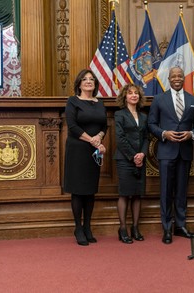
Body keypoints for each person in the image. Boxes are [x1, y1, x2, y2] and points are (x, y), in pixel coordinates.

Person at [148, 66, 194, 244]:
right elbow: (151, 123)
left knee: (181, 192)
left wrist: (191, 134)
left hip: (185, 152)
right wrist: (164, 133)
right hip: (166, 152)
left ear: (183, 78)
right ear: (169, 79)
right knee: (165, 191)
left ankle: (180, 226)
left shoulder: (193, 100)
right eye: (174, 76)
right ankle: (166, 228)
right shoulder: (158, 99)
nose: (177, 78)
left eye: (180, 76)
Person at [64, 69, 107, 246]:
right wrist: (92, 141)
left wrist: (100, 137)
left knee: (90, 190)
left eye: (91, 79)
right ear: (79, 83)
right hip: (77, 149)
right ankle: (78, 228)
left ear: (95, 84)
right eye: (85, 79)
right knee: (78, 189)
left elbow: (105, 125)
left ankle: (88, 227)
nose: (88, 81)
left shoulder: (99, 103)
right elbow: (72, 126)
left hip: (93, 153)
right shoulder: (73, 101)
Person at [114, 84, 148, 244]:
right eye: (130, 93)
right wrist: (133, 156)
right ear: (124, 97)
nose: (133, 95)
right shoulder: (119, 115)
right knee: (125, 194)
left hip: (140, 160)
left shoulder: (143, 116)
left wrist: (142, 154)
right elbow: (120, 138)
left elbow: (147, 138)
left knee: (137, 194)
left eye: (136, 93)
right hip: (125, 159)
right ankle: (122, 228)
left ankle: (135, 228)